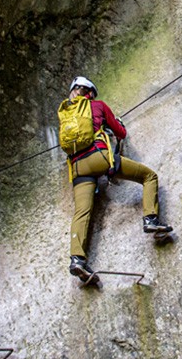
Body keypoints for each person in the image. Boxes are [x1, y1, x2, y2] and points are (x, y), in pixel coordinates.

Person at [61, 76, 168, 283]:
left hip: (78, 168)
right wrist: (116, 124)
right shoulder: (98, 106)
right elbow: (121, 132)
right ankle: (150, 219)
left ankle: (77, 259)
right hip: (99, 158)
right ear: (90, 93)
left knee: (82, 212)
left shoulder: (66, 114)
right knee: (149, 176)